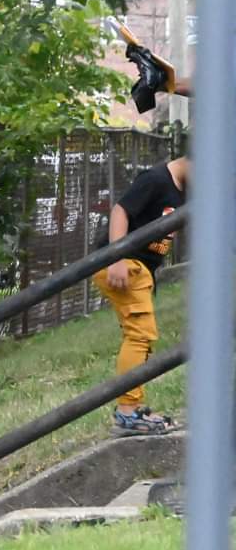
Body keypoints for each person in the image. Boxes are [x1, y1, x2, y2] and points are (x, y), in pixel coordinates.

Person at [93, 156, 186, 435]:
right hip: (126, 263)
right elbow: (120, 210)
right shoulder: (156, 179)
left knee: (141, 339)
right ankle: (127, 412)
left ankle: (131, 408)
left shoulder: (187, 190)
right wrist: (117, 257)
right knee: (140, 336)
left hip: (140, 268)